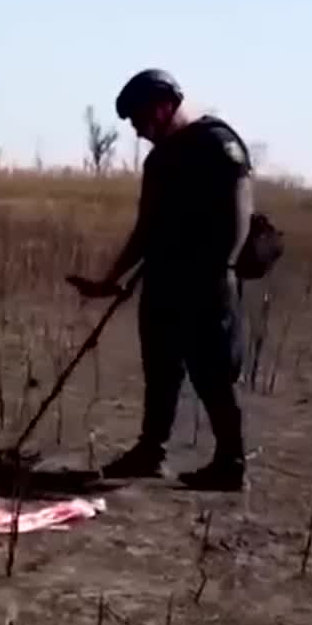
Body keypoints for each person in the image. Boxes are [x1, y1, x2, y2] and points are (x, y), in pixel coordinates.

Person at [67, 68, 253, 491]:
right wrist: (110, 279)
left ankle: (231, 463)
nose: (138, 131)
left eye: (139, 120)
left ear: (164, 107)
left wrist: (214, 274)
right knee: (161, 368)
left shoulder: (216, 144)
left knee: (213, 374)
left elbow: (236, 219)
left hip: (206, 284)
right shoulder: (160, 160)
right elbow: (146, 228)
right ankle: (151, 452)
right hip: (164, 282)